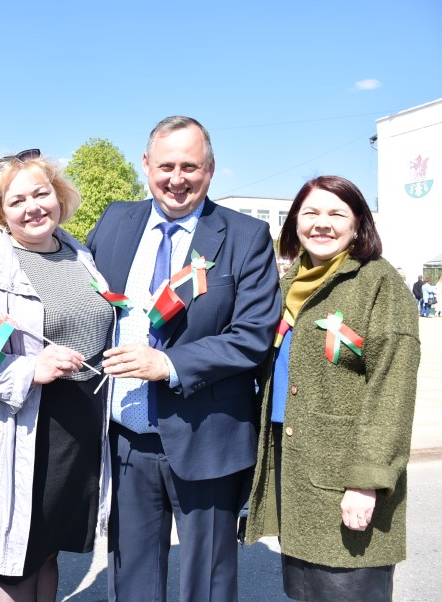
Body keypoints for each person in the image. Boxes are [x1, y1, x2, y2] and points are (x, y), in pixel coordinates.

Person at [87, 115, 280, 601]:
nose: (178, 179)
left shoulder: (246, 236)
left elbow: (253, 336)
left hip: (206, 435)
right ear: (146, 165)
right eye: (167, 166)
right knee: (131, 579)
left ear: (210, 169)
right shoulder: (114, 221)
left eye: (190, 167)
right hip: (126, 439)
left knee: (207, 582)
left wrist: (169, 365)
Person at [0, 150, 114, 601]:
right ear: (1, 211)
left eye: (40, 193)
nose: (32, 207)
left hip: (79, 431)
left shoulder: (79, 254)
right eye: (17, 200)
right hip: (23, 430)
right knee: (15, 564)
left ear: (59, 195)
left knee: (47, 552)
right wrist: (28, 369)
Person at [246, 176, 419, 601]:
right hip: (296, 472)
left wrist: (366, 481)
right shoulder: (288, 285)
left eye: (336, 214)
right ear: (295, 223)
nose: (321, 224)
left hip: (347, 477)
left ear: (358, 225)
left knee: (348, 589)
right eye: (311, 213)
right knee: (307, 592)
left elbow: (392, 391)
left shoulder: (378, 284)